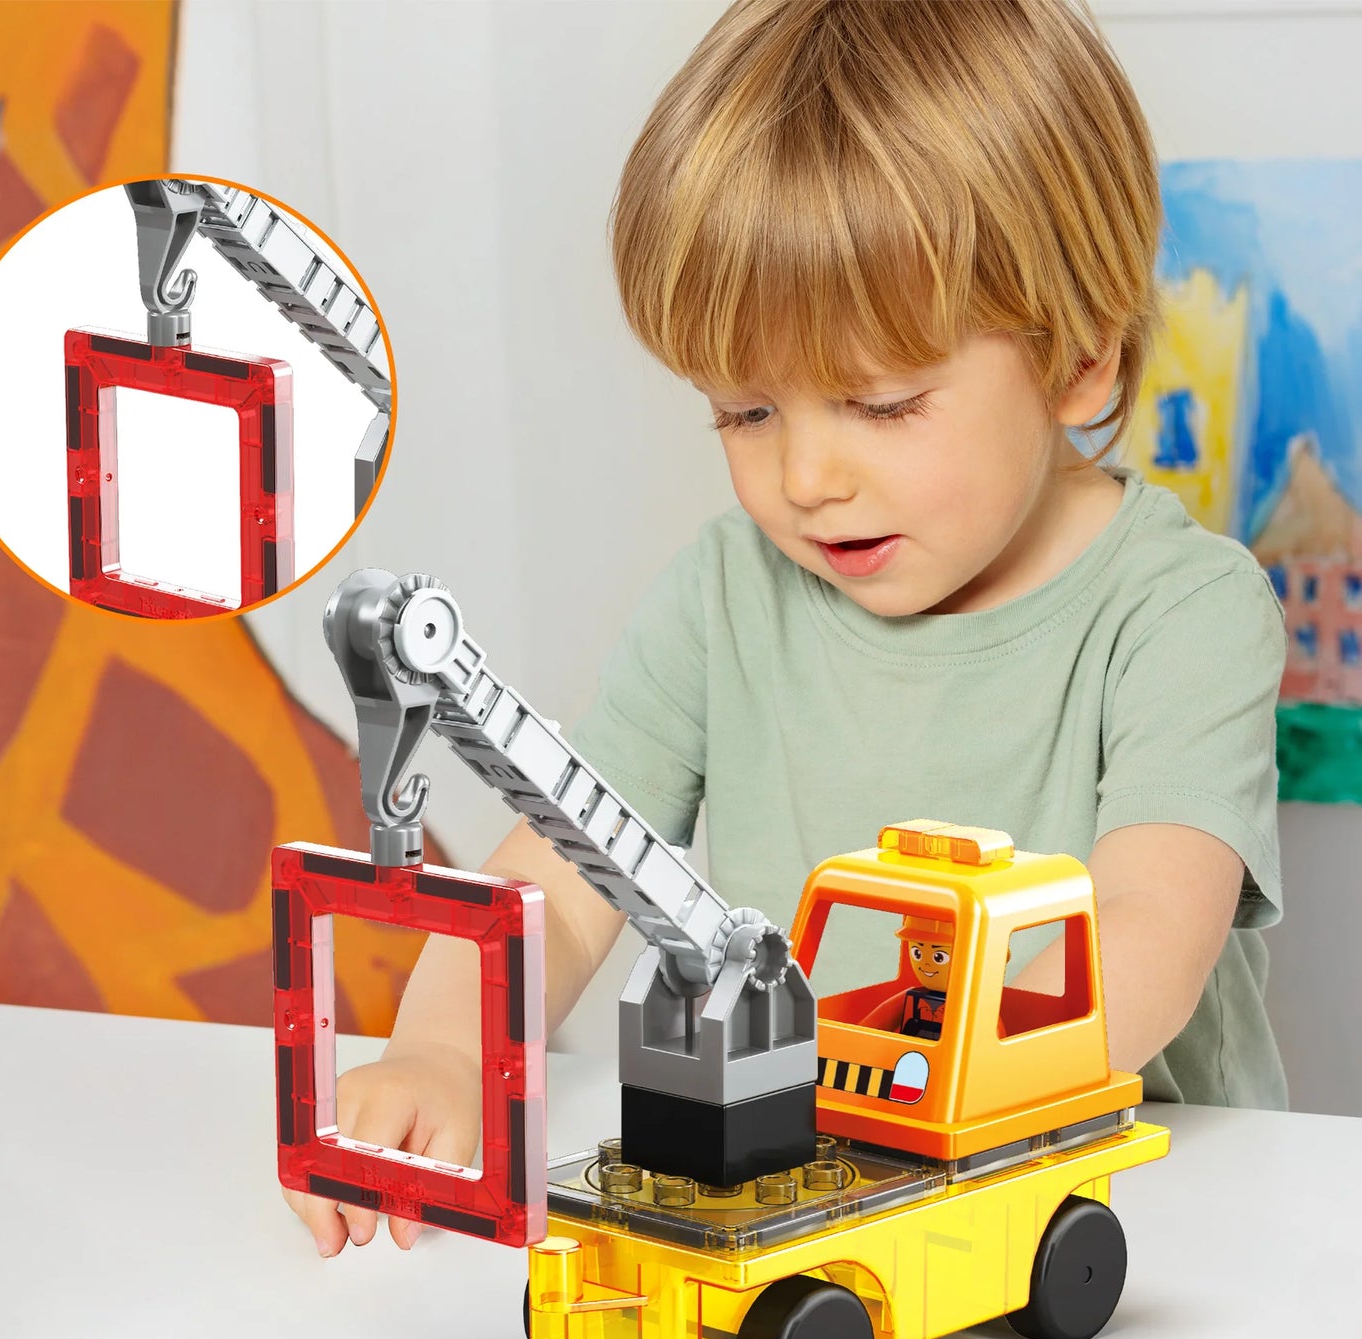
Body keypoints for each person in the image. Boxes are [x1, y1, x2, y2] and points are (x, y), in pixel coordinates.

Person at [286, 0, 1287, 1258]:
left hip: (1151, 1215)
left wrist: (898, 1084)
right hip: (816, 1193)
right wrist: (444, 1047)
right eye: (745, 411)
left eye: (880, 403)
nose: (805, 479)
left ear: (1079, 356)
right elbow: (567, 870)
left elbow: (1145, 939)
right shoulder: (724, 592)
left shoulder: (1182, 612)